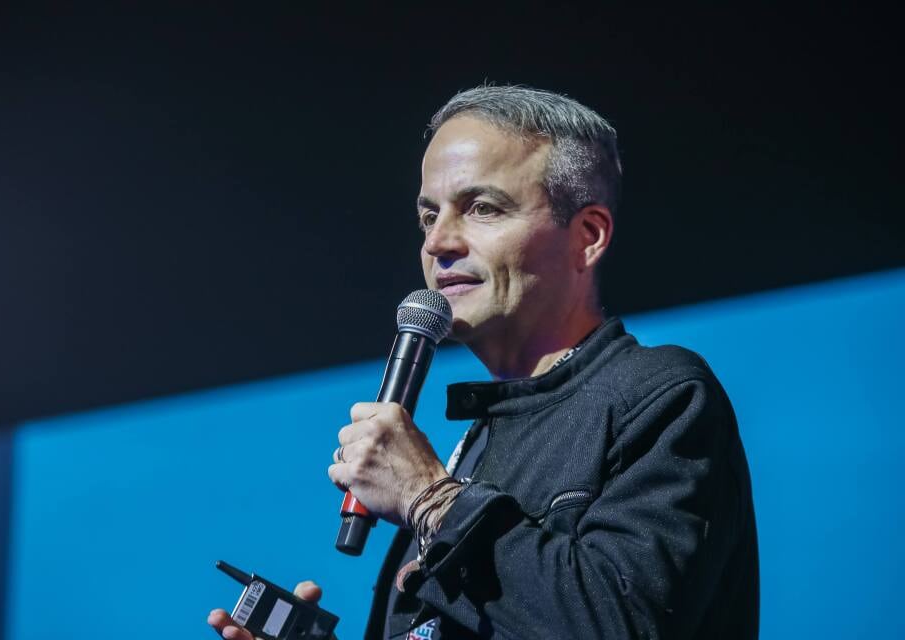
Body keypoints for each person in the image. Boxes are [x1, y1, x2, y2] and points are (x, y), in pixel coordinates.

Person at [208, 85, 759, 639]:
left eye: (482, 208)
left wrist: (430, 498)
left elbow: (624, 625)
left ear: (587, 237)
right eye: (429, 216)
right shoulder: (474, 445)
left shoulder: (659, 394)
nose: (438, 243)